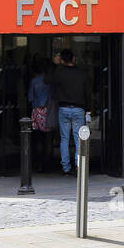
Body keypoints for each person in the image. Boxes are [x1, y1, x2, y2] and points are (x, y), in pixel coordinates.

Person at [49, 47, 89, 175]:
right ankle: (78, 166)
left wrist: (54, 65)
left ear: (62, 60)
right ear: (73, 58)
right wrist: (88, 109)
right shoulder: (82, 73)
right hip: (78, 108)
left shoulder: (59, 73)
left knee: (64, 138)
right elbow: (87, 92)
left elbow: (47, 81)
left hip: (63, 108)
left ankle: (66, 167)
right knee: (78, 138)